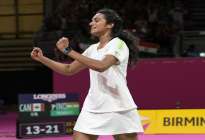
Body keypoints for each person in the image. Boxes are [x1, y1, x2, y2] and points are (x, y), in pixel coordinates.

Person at [30, 8, 144, 140]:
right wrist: (42, 58)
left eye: (96, 20)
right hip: (93, 106)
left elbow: (101, 66)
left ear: (110, 24)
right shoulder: (92, 49)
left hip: (118, 106)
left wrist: (68, 51)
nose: (91, 23)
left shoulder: (118, 44)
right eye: (91, 21)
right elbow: (68, 69)